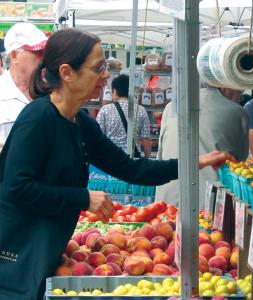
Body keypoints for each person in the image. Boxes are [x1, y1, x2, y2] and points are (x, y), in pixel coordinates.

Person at [0, 29, 231, 300]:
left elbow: (131, 169)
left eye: (106, 67)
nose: (105, 76)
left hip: (43, 248)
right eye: (98, 68)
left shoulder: (80, 122)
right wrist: (82, 198)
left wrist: (194, 163)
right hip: (15, 256)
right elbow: (16, 188)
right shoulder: (37, 118)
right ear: (66, 73)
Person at [155, 84, 249, 206]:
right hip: (208, 204)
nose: (239, 96)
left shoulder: (171, 107)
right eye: (239, 91)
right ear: (225, 86)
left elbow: (161, 155)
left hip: (166, 202)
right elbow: (240, 164)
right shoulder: (237, 112)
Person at [0, 23, 47, 153]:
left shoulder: (52, 91)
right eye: (38, 52)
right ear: (14, 56)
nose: (43, 58)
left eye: (45, 52)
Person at [96, 74, 152, 158]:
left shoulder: (105, 110)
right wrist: (148, 159)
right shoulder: (140, 110)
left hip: (111, 158)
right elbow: (145, 139)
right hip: (133, 159)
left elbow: (98, 137)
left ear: (114, 91)